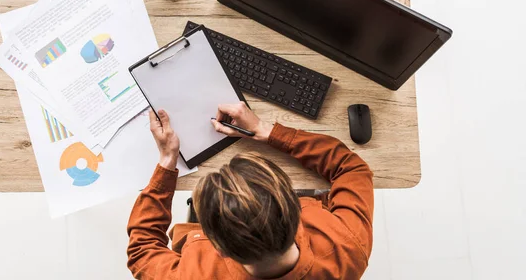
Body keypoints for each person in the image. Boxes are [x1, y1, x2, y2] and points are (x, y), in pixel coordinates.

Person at [127, 102, 374, 279]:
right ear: (296, 209)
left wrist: (167, 162)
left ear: (219, 247)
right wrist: (269, 131)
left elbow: (142, 252)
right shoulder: (348, 248)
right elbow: (350, 168)